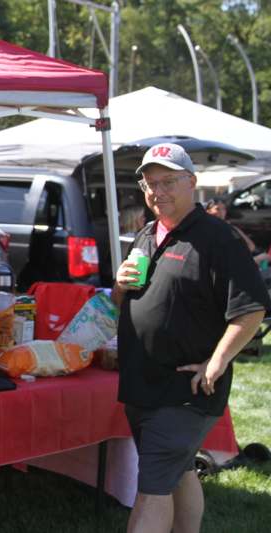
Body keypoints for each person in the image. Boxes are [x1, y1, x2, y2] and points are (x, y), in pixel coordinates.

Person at [112, 143, 270, 533]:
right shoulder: (148, 233)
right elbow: (126, 300)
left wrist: (217, 362)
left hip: (184, 390)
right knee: (178, 472)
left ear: (191, 183)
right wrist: (118, 285)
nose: (157, 191)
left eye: (168, 181)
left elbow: (250, 309)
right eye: (150, 184)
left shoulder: (218, 239)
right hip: (142, 382)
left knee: (150, 490)